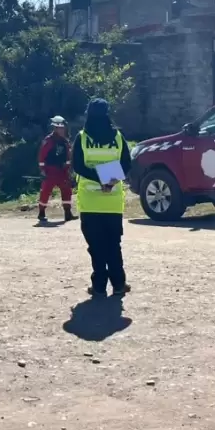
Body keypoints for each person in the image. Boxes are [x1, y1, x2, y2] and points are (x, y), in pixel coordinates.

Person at [71, 98, 132, 297]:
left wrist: (98, 178)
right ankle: (119, 284)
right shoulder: (118, 137)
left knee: (96, 247)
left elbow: (78, 166)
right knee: (113, 245)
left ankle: (98, 286)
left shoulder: (81, 138)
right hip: (112, 201)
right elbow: (126, 165)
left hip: (89, 201)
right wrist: (109, 180)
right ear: (107, 114)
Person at [37, 116, 76, 224]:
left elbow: (68, 157)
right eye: (61, 128)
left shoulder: (65, 142)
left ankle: (68, 213)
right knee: (45, 192)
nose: (63, 130)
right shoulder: (48, 141)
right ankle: (41, 213)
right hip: (50, 171)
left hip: (62, 171)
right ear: (56, 128)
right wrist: (43, 170)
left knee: (67, 191)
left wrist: (68, 170)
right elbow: (42, 156)